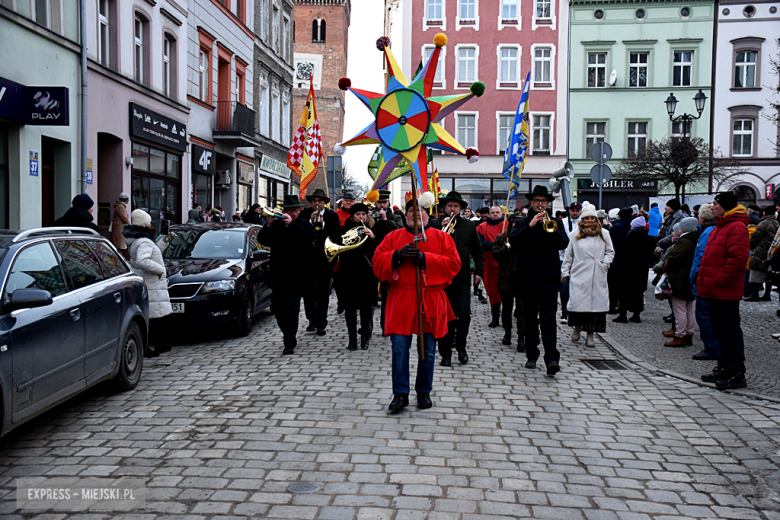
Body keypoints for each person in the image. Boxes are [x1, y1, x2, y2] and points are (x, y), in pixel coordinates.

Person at [373, 200, 461, 411]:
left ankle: (424, 391)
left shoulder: (442, 237)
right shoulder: (393, 237)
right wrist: (397, 256)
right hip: (401, 298)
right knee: (399, 349)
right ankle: (400, 393)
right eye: (411, 211)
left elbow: (454, 263)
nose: (415, 214)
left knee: (428, 350)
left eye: (420, 211)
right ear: (405, 216)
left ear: (427, 215)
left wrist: (426, 259)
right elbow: (377, 260)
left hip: (429, 299)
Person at [509, 186, 569, 375]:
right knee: (530, 321)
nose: (540, 204)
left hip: (549, 279)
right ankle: (531, 354)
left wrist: (551, 228)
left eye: (543, 201)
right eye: (537, 201)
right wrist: (530, 226)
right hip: (527, 279)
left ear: (548, 203)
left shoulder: (556, 222)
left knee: (549, 320)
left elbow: (563, 243)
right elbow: (514, 242)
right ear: (531, 203)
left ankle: (552, 358)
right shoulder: (521, 223)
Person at [697, 192, 750, 390]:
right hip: (714, 290)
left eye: (715, 204)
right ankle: (724, 367)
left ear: (725, 207)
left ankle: (737, 372)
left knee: (730, 333)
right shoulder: (721, 226)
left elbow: (737, 261)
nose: (712, 207)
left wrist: (717, 281)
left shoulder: (736, 226)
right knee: (719, 332)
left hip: (725, 291)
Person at [257, 195, 315, 354]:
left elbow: (309, 237)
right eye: (286, 210)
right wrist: (268, 225)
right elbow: (262, 240)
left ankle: (289, 341)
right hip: (278, 275)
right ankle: (287, 332)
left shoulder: (303, 225)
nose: (289, 213)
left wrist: (292, 224)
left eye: (293, 211)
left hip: (295, 276)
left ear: (299, 210)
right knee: (277, 308)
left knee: (291, 309)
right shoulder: (276, 225)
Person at [433, 191, 484, 367]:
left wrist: (479, 272)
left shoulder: (468, 225)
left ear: (461, 208)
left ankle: (461, 347)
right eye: (449, 206)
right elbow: (429, 246)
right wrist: (441, 229)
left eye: (455, 206)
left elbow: (477, 250)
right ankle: (445, 353)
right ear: (444, 208)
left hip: (462, 276)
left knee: (464, 315)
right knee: (444, 316)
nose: (452, 209)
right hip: (441, 277)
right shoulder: (435, 224)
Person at [561, 203, 615, 348]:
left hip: (598, 274)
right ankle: (577, 327)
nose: (590, 220)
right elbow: (568, 256)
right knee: (579, 305)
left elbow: (610, 251)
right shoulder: (574, 235)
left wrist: (605, 264)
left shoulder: (604, 234)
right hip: (580, 273)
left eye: (592, 218)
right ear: (582, 219)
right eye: (587, 218)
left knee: (595, 308)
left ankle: (590, 334)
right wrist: (565, 272)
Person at [122, 209, 173, 357]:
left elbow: (152, 251)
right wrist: (160, 270)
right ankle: (148, 347)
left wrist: (164, 242)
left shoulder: (139, 240)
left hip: (150, 282)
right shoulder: (144, 241)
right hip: (152, 282)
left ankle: (159, 344)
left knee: (155, 316)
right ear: (145, 224)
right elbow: (143, 260)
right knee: (153, 316)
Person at [334, 203, 381, 350]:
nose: (361, 217)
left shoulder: (372, 230)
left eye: (363, 215)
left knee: (366, 307)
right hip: (348, 273)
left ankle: (365, 336)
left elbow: (379, 250)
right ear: (352, 215)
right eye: (358, 214)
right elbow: (336, 245)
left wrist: (373, 237)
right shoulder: (343, 230)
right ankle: (352, 338)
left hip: (366, 273)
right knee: (350, 307)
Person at [300, 189, 341, 335]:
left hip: (324, 259)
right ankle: (312, 319)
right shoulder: (304, 215)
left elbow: (336, 232)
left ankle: (321, 323)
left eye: (320, 201)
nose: (317, 204)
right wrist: (310, 222)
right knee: (308, 293)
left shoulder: (331, 216)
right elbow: (300, 231)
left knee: (323, 293)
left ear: (324, 202)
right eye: (314, 201)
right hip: (308, 259)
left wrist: (323, 224)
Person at [662, 217, 701, 347]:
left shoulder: (685, 241)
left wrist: (667, 265)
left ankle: (680, 335)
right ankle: (688, 334)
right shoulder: (696, 239)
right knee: (688, 308)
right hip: (689, 277)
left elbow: (673, 258)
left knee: (679, 308)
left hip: (680, 277)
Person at [689, 203, 720, 361]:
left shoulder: (707, 232)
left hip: (705, 279)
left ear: (702, 217)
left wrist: (693, 277)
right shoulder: (712, 230)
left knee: (704, 315)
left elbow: (701, 257)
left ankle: (712, 347)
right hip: (709, 278)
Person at [493, 216, 525, 350]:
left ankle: (521, 337)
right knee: (507, 308)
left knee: (522, 310)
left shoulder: (525, 238)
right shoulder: (501, 237)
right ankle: (507, 332)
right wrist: (506, 247)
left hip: (522, 279)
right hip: (506, 278)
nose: (515, 224)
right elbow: (495, 255)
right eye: (513, 222)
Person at [613, 216, 653, 323]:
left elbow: (622, 255)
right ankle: (636, 314)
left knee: (624, 291)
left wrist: (618, 265)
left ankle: (623, 314)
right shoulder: (647, 238)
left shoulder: (630, 237)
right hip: (641, 271)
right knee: (638, 292)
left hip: (627, 271)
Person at [373, 189, 402, 334]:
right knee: (370, 296)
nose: (381, 205)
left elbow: (398, 232)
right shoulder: (371, 215)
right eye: (379, 202)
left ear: (388, 202)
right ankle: (367, 329)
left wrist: (385, 220)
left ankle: (386, 326)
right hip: (372, 259)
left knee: (387, 295)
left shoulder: (395, 217)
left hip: (388, 260)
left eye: (384, 202)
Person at [477, 206, 506, 328]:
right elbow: (480, 243)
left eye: (497, 212)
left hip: (505, 262)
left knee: (506, 290)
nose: (495, 214)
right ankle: (495, 316)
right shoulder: (482, 227)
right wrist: (498, 244)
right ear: (489, 214)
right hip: (490, 261)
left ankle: (507, 316)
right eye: (493, 213)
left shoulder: (507, 225)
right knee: (493, 290)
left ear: (501, 213)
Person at [745, 205, 779, 301]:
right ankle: (767, 294)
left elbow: (755, 237)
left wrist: (751, 246)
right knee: (768, 272)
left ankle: (754, 294)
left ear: (764, 213)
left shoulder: (763, 223)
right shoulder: (777, 223)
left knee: (755, 270)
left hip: (761, 250)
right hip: (772, 251)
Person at [559, 202, 583, 322]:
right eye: (572, 210)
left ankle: (576, 312)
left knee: (578, 286)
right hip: (563, 258)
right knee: (564, 286)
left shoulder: (583, 224)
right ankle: (564, 312)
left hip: (578, 259)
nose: (574, 212)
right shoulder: (563, 223)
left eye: (576, 210)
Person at [607, 207, 634, 313]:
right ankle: (623, 305)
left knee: (613, 282)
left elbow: (608, 237)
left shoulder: (617, 226)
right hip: (628, 257)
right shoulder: (633, 225)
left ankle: (612, 305)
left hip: (616, 256)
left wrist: (606, 226)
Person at [111, 193, 131, 257]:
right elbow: (124, 218)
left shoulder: (119, 206)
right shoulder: (121, 207)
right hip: (120, 229)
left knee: (119, 244)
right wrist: (129, 225)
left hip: (118, 228)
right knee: (120, 244)